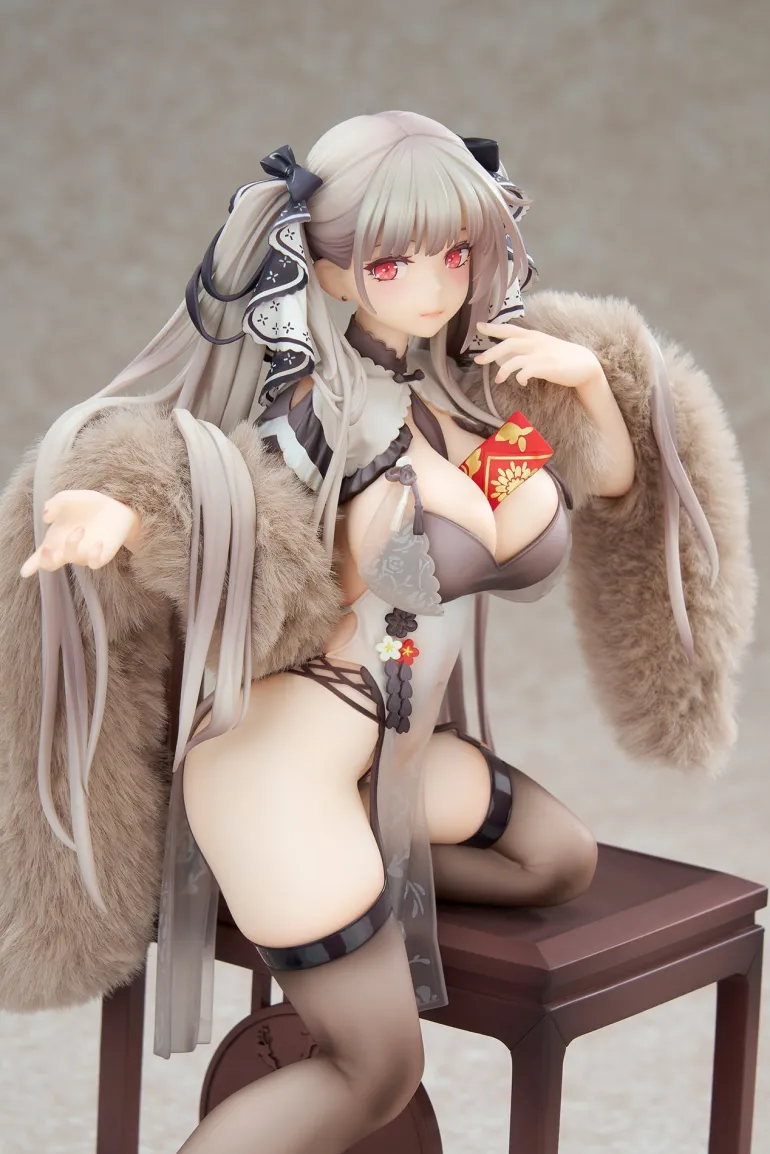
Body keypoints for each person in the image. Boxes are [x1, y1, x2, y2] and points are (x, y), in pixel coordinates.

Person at [0, 111, 755, 1153]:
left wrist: (586, 386)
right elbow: (234, 526)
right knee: (375, 1070)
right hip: (283, 767)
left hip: (382, 760)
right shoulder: (312, 421)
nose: (434, 284)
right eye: (395, 261)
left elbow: (584, 492)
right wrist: (121, 519)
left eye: (455, 253)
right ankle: (279, 876)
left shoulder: (455, 409)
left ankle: (327, 879)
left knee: (557, 858)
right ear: (330, 268)